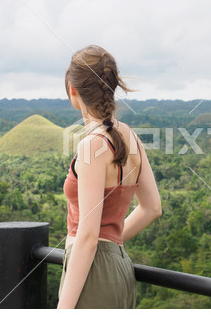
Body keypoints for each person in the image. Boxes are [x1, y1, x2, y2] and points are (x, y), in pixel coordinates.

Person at [57, 45, 162, 309]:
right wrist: (112, 243)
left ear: (73, 90)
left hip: (91, 271)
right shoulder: (130, 137)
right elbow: (152, 208)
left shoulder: (92, 145)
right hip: (119, 267)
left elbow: (88, 236)